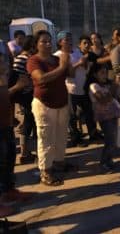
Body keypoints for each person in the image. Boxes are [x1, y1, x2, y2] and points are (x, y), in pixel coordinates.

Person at [27, 30, 73, 186]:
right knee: (46, 138)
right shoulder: (34, 60)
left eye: (49, 41)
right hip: (44, 104)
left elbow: (71, 74)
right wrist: (61, 67)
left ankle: (59, 162)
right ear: (36, 44)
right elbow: (41, 79)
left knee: (61, 135)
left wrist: (67, 59)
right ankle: (45, 171)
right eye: (43, 41)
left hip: (61, 103)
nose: (47, 44)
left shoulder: (56, 59)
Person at [0, 39, 34, 217]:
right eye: (3, 59)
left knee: (9, 157)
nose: (6, 61)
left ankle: (8, 190)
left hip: (5, 123)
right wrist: (17, 87)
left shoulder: (5, 74)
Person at [55, 34, 98, 146]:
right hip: (70, 89)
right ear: (60, 42)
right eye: (66, 39)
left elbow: (84, 68)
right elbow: (64, 73)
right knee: (72, 115)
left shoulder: (76, 52)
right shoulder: (58, 55)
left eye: (70, 39)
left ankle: (93, 133)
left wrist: (85, 65)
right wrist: (79, 63)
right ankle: (76, 138)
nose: (70, 41)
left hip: (82, 87)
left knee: (89, 112)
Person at [86, 64, 120, 173]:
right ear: (95, 74)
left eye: (105, 72)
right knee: (110, 140)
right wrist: (114, 86)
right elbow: (102, 100)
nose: (105, 75)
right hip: (104, 117)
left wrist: (115, 86)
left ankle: (109, 160)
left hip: (113, 114)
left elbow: (114, 96)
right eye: (102, 73)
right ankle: (103, 163)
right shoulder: (93, 86)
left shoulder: (106, 85)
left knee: (114, 140)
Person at [11, 35, 36, 164]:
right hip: (26, 95)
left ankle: (27, 152)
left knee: (30, 122)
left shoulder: (26, 58)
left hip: (30, 94)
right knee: (28, 123)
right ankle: (24, 153)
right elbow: (21, 79)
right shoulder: (22, 59)